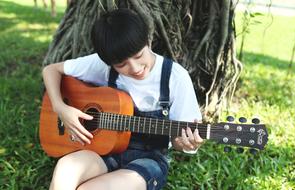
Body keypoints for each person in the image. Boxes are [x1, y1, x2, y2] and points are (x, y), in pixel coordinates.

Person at [42, 8, 203, 190]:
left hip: (147, 159)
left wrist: (182, 143)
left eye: (138, 55)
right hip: (102, 151)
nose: (134, 68)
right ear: (109, 62)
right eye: (121, 65)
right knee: (65, 170)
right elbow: (51, 70)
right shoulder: (102, 64)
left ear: (147, 41)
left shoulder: (175, 77)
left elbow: (182, 140)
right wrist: (60, 108)